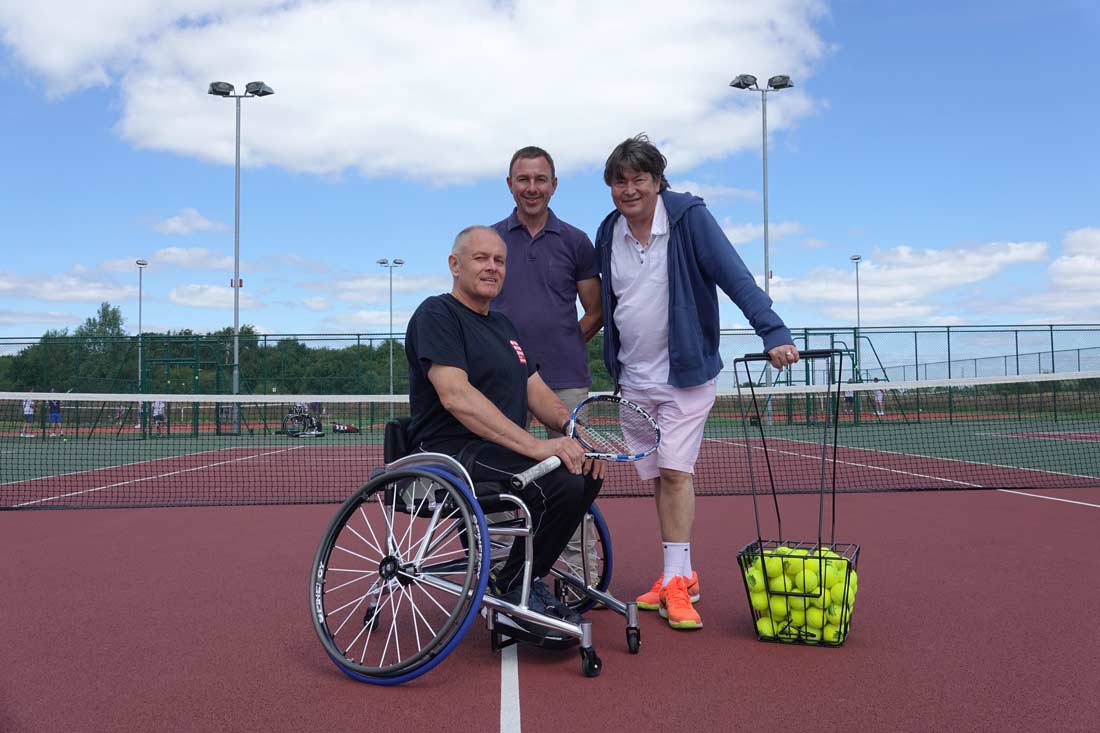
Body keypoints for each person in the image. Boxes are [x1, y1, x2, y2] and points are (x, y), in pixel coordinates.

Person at [594, 134, 800, 631]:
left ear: (658, 180)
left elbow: (735, 275)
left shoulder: (688, 219)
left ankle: (674, 583)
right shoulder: (608, 232)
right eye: (619, 181)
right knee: (660, 480)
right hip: (634, 378)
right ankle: (682, 574)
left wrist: (772, 331)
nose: (629, 189)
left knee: (675, 472)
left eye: (638, 178)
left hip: (685, 375)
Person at [404, 225, 604, 638]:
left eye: (499, 260)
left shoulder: (504, 327)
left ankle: (519, 579)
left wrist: (573, 429)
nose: (492, 267)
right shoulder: (436, 314)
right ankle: (515, 587)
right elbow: (456, 397)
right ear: (454, 265)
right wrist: (536, 446)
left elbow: (536, 391)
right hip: (451, 454)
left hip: (494, 452)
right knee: (561, 480)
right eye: (481, 259)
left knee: (583, 470)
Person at [489, 145, 603, 577]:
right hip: (501, 386)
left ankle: (577, 576)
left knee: (572, 478)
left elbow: (594, 311)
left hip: (564, 382)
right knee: (499, 481)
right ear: (510, 184)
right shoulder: (492, 241)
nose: (531, 188)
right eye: (523, 179)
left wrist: (563, 344)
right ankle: (499, 574)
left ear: (553, 185)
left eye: (540, 179)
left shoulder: (576, 241)